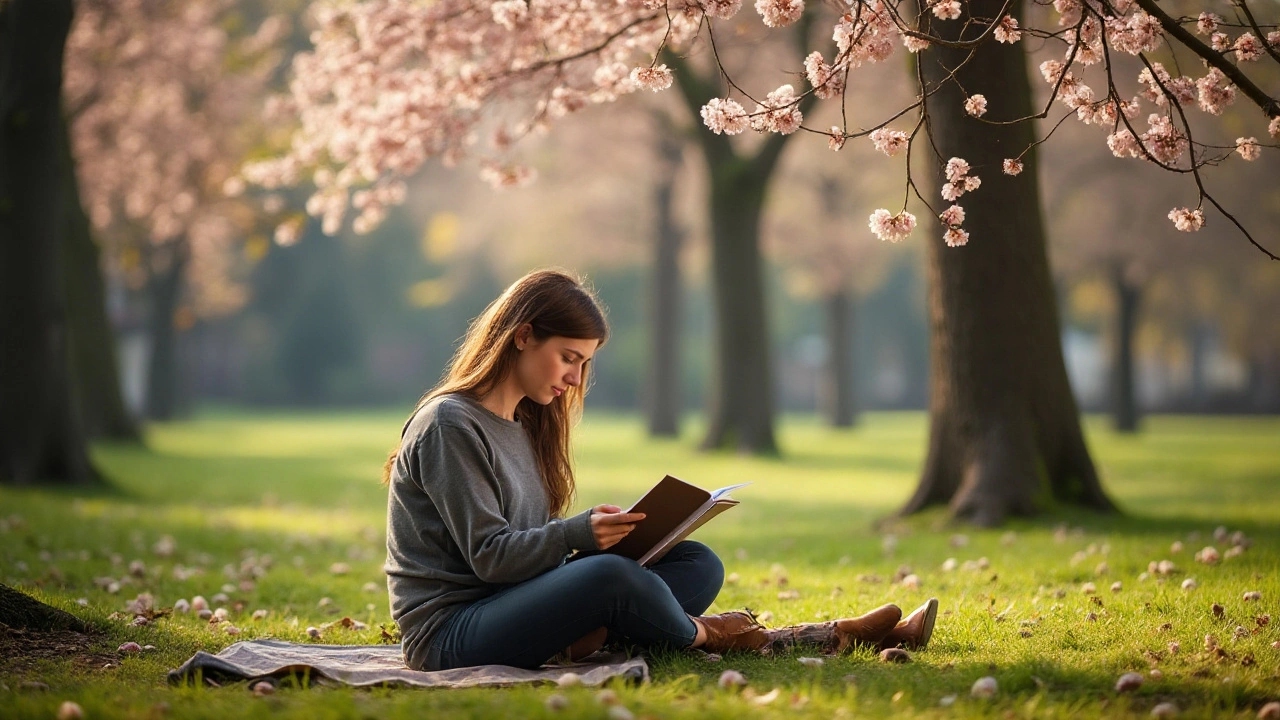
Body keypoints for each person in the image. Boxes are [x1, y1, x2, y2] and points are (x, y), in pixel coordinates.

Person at [383, 269, 939, 671]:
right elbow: (489, 558)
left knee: (697, 562)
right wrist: (579, 538)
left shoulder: (524, 422)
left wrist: (608, 537)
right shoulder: (450, 425)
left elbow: (525, 548)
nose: (575, 379)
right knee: (612, 578)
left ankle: (592, 638)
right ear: (523, 335)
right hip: (453, 631)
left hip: (508, 602)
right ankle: (792, 638)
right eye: (569, 357)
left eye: (584, 363)